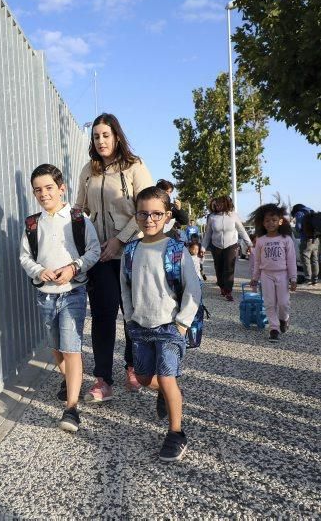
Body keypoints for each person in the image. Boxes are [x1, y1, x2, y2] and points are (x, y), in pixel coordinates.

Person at [74, 113, 153, 401]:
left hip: (131, 251)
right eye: (96, 136)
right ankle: (102, 378)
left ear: (116, 136)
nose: (101, 140)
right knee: (103, 316)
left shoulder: (134, 166)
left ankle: (133, 366)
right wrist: (84, 239)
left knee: (132, 314)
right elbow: (79, 210)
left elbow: (147, 208)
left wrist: (119, 240)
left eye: (106, 135)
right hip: (100, 257)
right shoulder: (87, 170)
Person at [120, 186, 202, 461]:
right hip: (140, 327)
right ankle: (170, 393)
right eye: (143, 213)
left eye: (157, 214)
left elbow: (193, 289)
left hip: (169, 327)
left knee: (166, 375)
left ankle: (176, 433)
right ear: (136, 216)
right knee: (144, 378)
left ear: (167, 216)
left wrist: (182, 324)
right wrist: (129, 317)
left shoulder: (177, 250)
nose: (149, 219)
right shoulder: (131, 250)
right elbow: (125, 287)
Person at [20, 164, 100, 432]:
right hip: (45, 295)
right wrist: (39, 271)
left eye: (49, 187)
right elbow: (24, 257)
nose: (44, 194)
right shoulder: (32, 223)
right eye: (38, 190)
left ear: (62, 188)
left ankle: (72, 408)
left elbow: (94, 250)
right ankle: (69, 381)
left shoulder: (77, 219)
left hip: (72, 292)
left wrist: (74, 267)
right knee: (56, 346)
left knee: (71, 347)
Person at [249, 204, 297, 342]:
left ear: (280, 221)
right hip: (266, 275)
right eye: (267, 221)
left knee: (283, 303)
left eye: (274, 220)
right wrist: (255, 277)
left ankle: (284, 319)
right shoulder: (260, 241)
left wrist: (293, 278)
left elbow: (291, 260)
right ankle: (274, 328)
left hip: (283, 275)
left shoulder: (286, 239)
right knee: (270, 303)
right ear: (262, 223)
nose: (271, 223)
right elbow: (257, 261)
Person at [203, 195, 251, 302]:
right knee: (218, 267)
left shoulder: (233, 216)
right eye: (217, 203)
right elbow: (207, 234)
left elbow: (242, 231)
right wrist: (203, 248)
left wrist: (250, 244)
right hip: (216, 246)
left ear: (226, 204)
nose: (217, 205)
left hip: (231, 245)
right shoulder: (212, 217)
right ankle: (222, 286)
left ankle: (228, 290)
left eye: (220, 203)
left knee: (229, 268)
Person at [291, 204, 321, 286]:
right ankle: (315, 279)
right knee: (315, 259)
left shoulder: (299, 213)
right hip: (316, 239)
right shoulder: (311, 210)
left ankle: (308, 279)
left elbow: (298, 227)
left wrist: (299, 229)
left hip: (306, 239)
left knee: (305, 259)